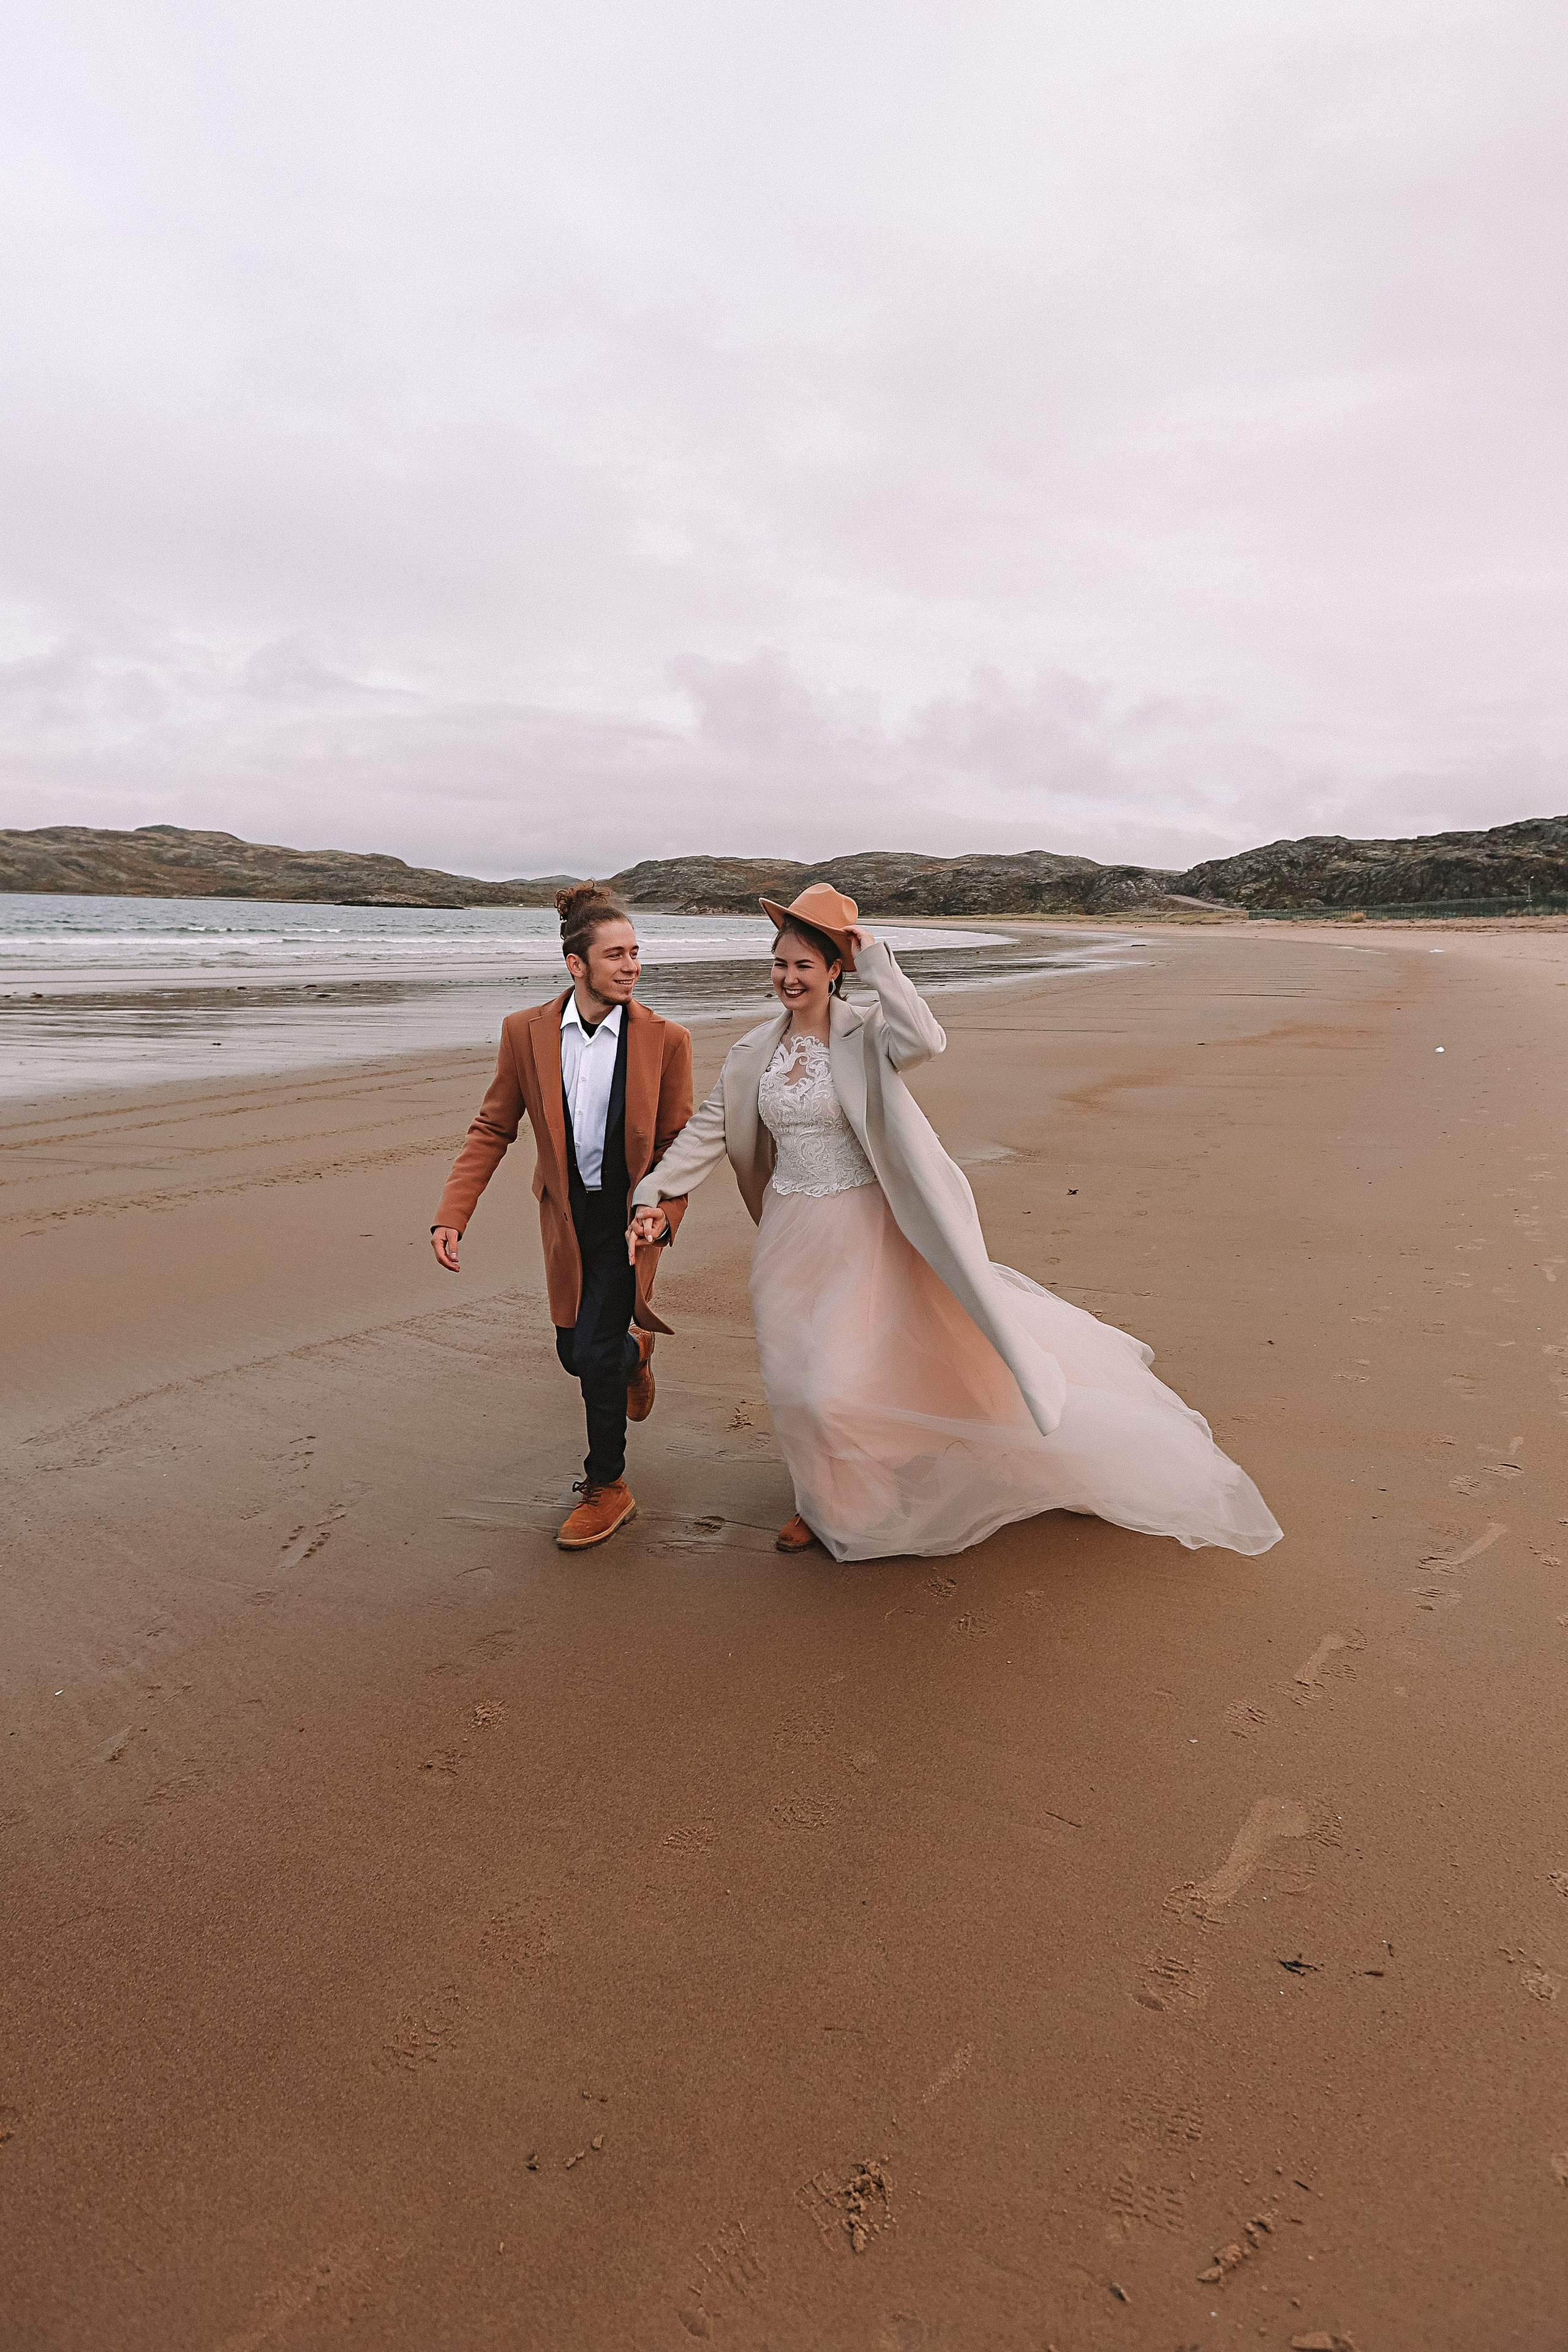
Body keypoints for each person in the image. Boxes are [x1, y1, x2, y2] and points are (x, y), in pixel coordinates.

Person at [627, 884, 1282, 1564]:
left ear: (832, 970)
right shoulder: (750, 1054)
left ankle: (855, 1498)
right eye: (779, 964)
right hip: (788, 1230)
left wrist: (877, 959)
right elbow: (706, 1132)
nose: (788, 978)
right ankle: (822, 1501)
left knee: (834, 1381)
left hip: (867, 1228)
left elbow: (925, 1039)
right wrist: (654, 1194)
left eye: (803, 965)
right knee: (792, 1377)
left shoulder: (868, 1034)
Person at [432, 883, 692, 1550]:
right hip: (565, 1218)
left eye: (635, 953)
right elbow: (493, 1126)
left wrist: (660, 1210)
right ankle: (635, 1354)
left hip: (629, 1218)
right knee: (574, 1354)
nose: (631, 966)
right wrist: (453, 1214)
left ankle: (608, 1485)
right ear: (577, 964)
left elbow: (676, 1145)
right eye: (615, 955)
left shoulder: (667, 1040)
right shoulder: (526, 1032)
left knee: (592, 1351)